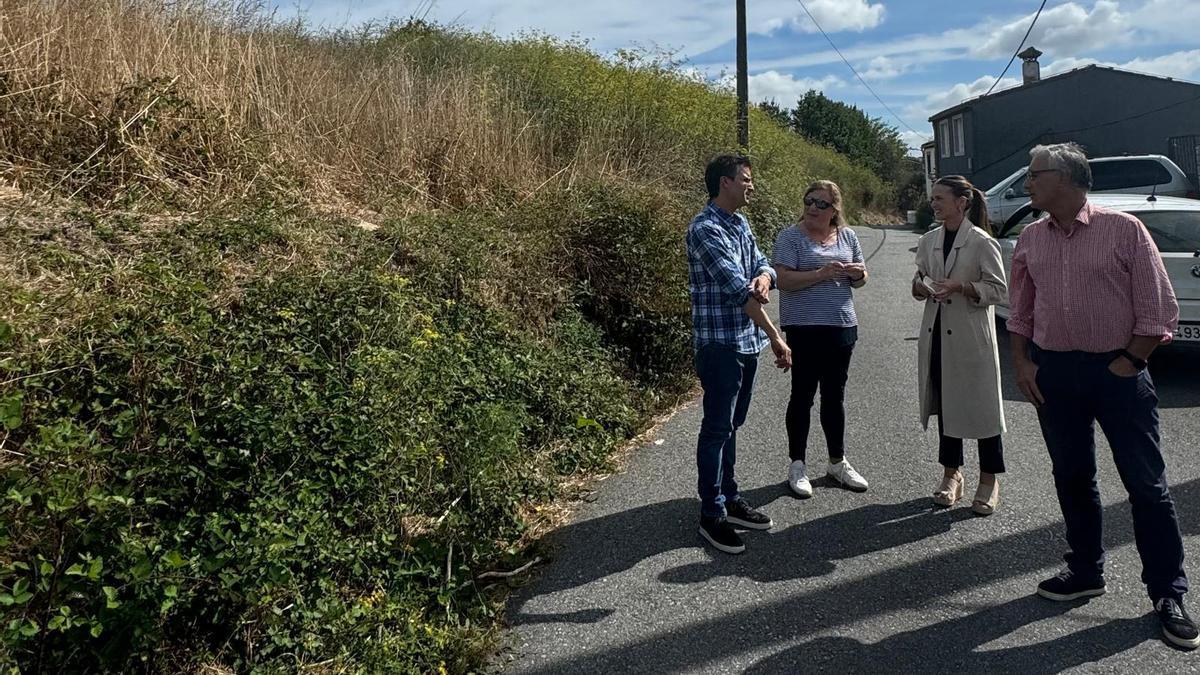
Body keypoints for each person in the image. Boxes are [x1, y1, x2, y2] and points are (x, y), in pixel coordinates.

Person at [1008, 142, 1196, 649]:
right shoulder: (1030, 237)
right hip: (1055, 373)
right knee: (1072, 477)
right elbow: (1020, 310)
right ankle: (1085, 571)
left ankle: (1168, 592)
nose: (1026, 184)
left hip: (1118, 374)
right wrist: (1024, 362)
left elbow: (1159, 309)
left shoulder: (1124, 230)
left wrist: (1128, 363)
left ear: (1066, 179)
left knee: (1147, 487)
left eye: (1033, 175)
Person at [687, 154, 792, 555]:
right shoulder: (704, 230)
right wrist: (778, 338)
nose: (751, 185)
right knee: (717, 428)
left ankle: (729, 498)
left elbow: (762, 265)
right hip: (720, 345)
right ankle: (711, 514)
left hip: (747, 344)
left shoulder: (741, 223)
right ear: (724, 183)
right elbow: (738, 292)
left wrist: (765, 276)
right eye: (746, 179)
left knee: (732, 426)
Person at [912, 175, 1007, 515]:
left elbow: (1000, 291)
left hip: (971, 336)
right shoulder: (929, 240)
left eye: (940, 198)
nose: (934, 204)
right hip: (937, 332)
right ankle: (951, 474)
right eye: (932, 198)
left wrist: (962, 286)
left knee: (983, 410)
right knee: (946, 405)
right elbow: (918, 279)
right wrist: (923, 287)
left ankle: (989, 479)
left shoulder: (981, 242)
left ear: (962, 202)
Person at [773, 180, 869, 498]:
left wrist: (857, 274)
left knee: (834, 398)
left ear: (834, 210)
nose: (813, 207)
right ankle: (797, 465)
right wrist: (821, 274)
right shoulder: (790, 237)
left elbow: (861, 278)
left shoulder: (848, 235)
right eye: (809, 201)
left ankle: (837, 462)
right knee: (802, 397)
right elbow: (783, 280)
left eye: (821, 204)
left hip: (841, 327)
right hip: (803, 329)